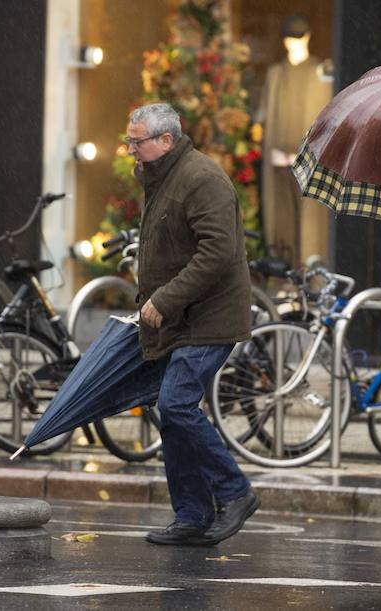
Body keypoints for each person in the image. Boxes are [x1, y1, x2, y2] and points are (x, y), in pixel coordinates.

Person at [127, 102, 259, 546]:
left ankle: (235, 493)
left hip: (209, 317)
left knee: (177, 404)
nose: (131, 149)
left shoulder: (201, 178)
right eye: (130, 140)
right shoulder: (162, 176)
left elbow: (217, 253)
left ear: (166, 140)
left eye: (137, 141)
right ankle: (192, 514)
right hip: (180, 319)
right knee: (172, 412)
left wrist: (164, 298)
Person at [256, 14, 332, 265]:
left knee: (311, 224)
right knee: (281, 222)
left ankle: (311, 275)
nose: (294, 43)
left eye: (298, 38)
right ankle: (284, 275)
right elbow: (264, 114)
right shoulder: (276, 74)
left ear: (308, 37)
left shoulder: (319, 71)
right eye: (290, 39)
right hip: (278, 159)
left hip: (308, 161)